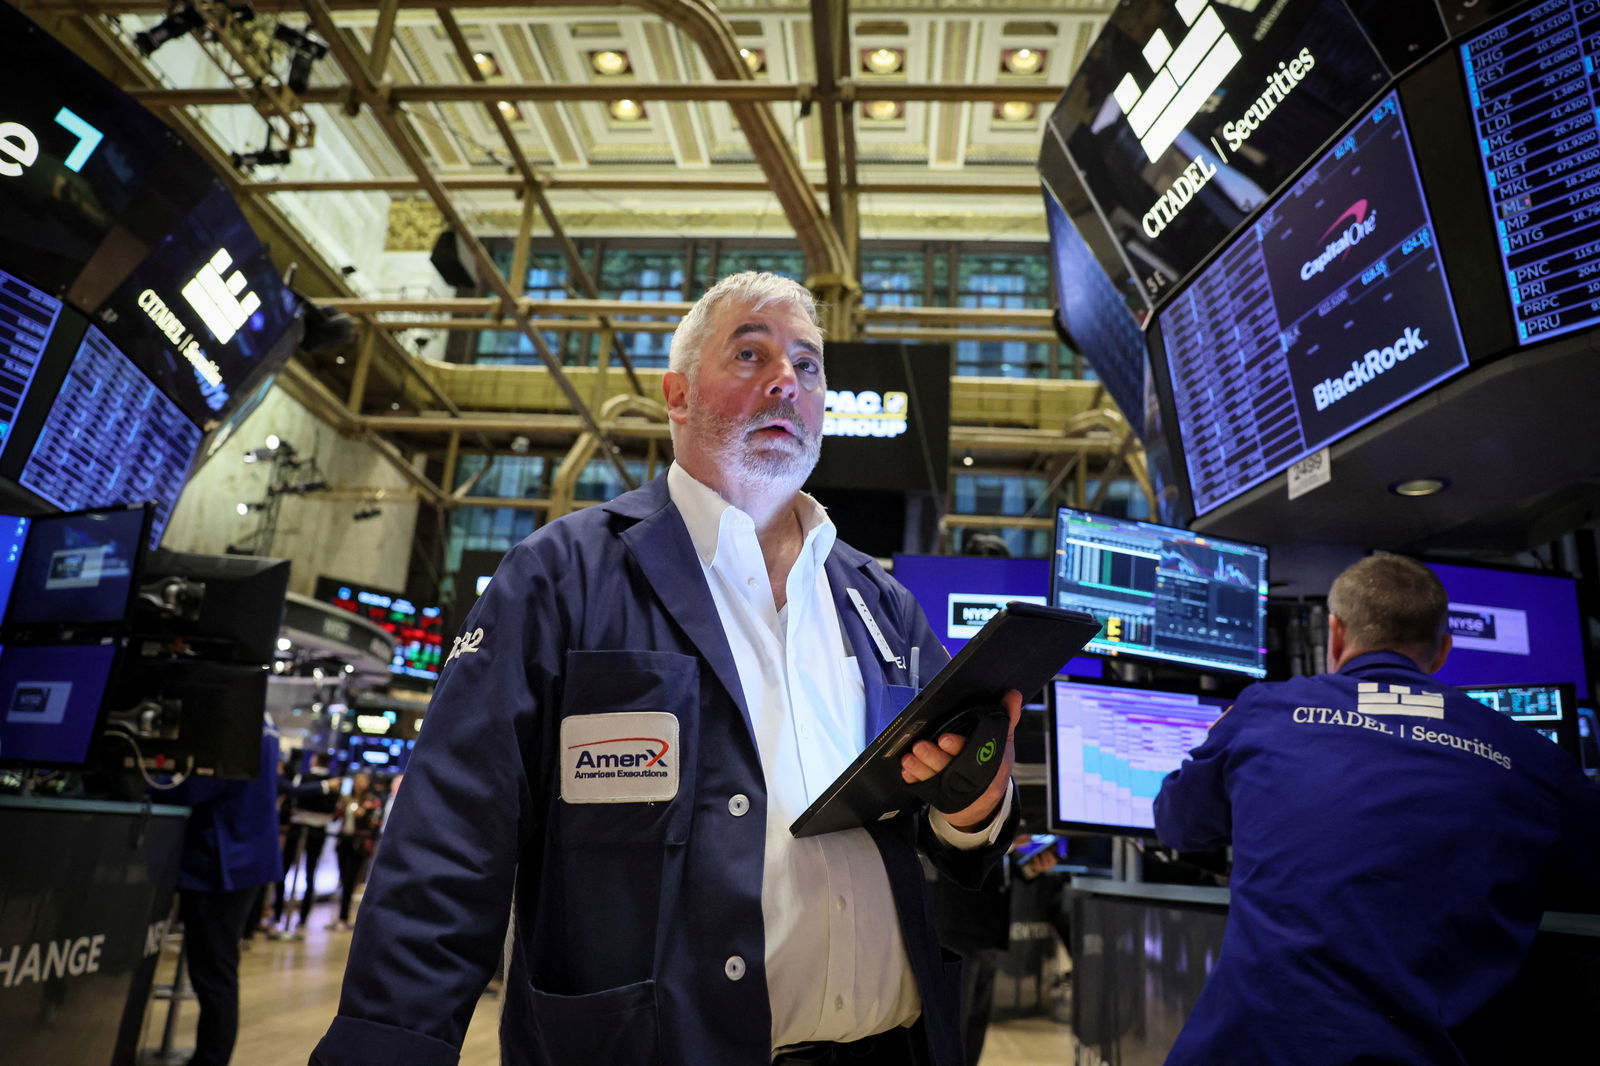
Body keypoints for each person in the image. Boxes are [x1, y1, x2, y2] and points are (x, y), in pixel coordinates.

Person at [312, 271, 1021, 1066]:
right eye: (750, 354)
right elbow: (445, 847)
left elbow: (956, 837)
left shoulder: (879, 604)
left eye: (808, 364)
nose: (786, 379)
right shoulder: (559, 579)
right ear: (676, 396)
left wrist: (973, 811)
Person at [1153, 554, 1600, 1065]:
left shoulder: (1262, 710)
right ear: (1443, 651)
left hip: (1244, 1051)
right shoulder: (1531, 754)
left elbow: (1179, 825)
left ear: (1335, 634)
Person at [157, 715, 284, 1066]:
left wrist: (148, 781)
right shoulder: (260, 716)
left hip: (224, 863)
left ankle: (210, 1060)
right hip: (245, 857)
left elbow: (197, 787)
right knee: (219, 973)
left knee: (214, 976)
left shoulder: (232, 716)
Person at [270, 751, 340, 939]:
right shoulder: (332, 782)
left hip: (300, 829)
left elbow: (294, 798)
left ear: (314, 760)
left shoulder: (305, 779)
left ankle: (278, 914)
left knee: (287, 871)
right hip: (316, 830)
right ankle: (301, 918)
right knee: (310, 873)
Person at [329, 771, 382, 931]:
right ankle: (339, 916)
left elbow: (375, 822)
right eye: (357, 780)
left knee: (351, 880)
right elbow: (335, 816)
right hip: (344, 842)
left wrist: (364, 814)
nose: (359, 783)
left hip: (359, 845)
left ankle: (344, 916)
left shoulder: (372, 801)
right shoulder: (346, 798)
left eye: (363, 780)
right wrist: (341, 806)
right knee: (343, 878)